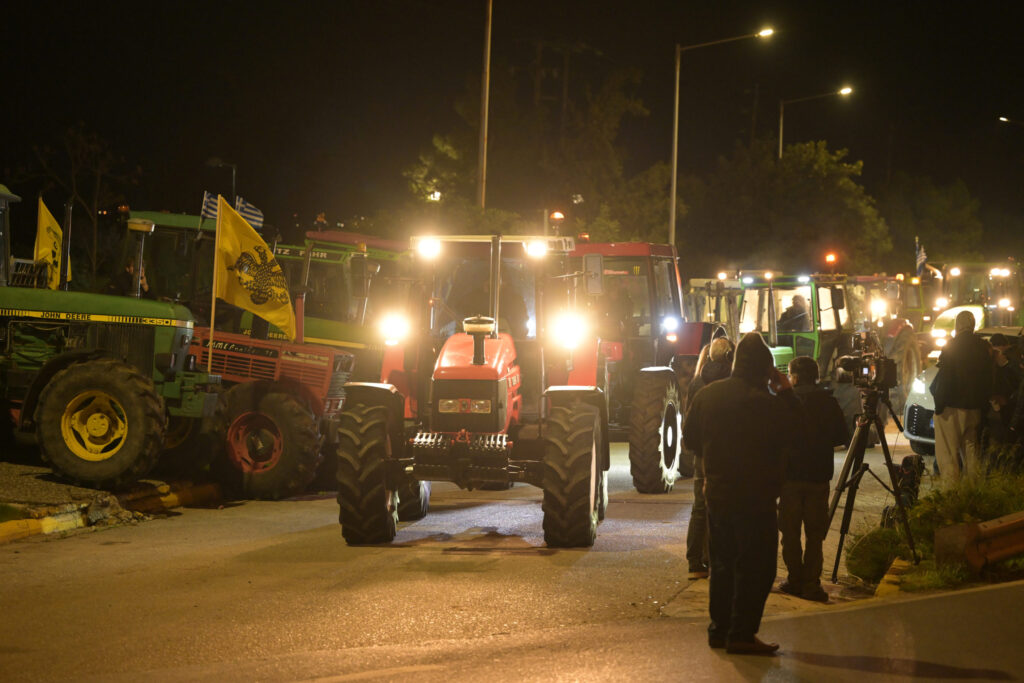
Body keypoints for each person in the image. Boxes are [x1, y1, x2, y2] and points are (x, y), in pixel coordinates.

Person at [683, 332, 803, 655]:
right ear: (766, 369)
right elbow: (800, 433)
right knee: (757, 567)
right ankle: (741, 633)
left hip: (718, 495)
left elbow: (690, 440)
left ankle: (719, 630)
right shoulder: (770, 404)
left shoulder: (707, 396)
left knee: (722, 565)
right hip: (757, 498)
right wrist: (787, 391)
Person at [778, 356, 849, 603]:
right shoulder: (828, 402)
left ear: (795, 377)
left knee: (789, 533)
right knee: (815, 534)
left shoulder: (784, 402)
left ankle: (794, 579)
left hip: (790, 477)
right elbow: (841, 436)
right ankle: (811, 584)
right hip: (819, 476)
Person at [684, 336, 735, 580]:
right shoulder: (734, 382)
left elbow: (689, 424)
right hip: (728, 453)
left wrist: (697, 449)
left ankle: (695, 563)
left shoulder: (697, 382)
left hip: (703, 454)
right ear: (730, 355)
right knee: (727, 507)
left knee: (699, 508)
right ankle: (719, 560)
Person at [929, 310, 993, 485]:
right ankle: (973, 489)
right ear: (973, 325)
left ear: (957, 325)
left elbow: (946, 377)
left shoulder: (952, 345)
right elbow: (988, 378)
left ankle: (952, 493)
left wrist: (939, 405)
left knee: (948, 453)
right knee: (971, 451)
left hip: (951, 407)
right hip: (974, 408)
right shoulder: (983, 346)